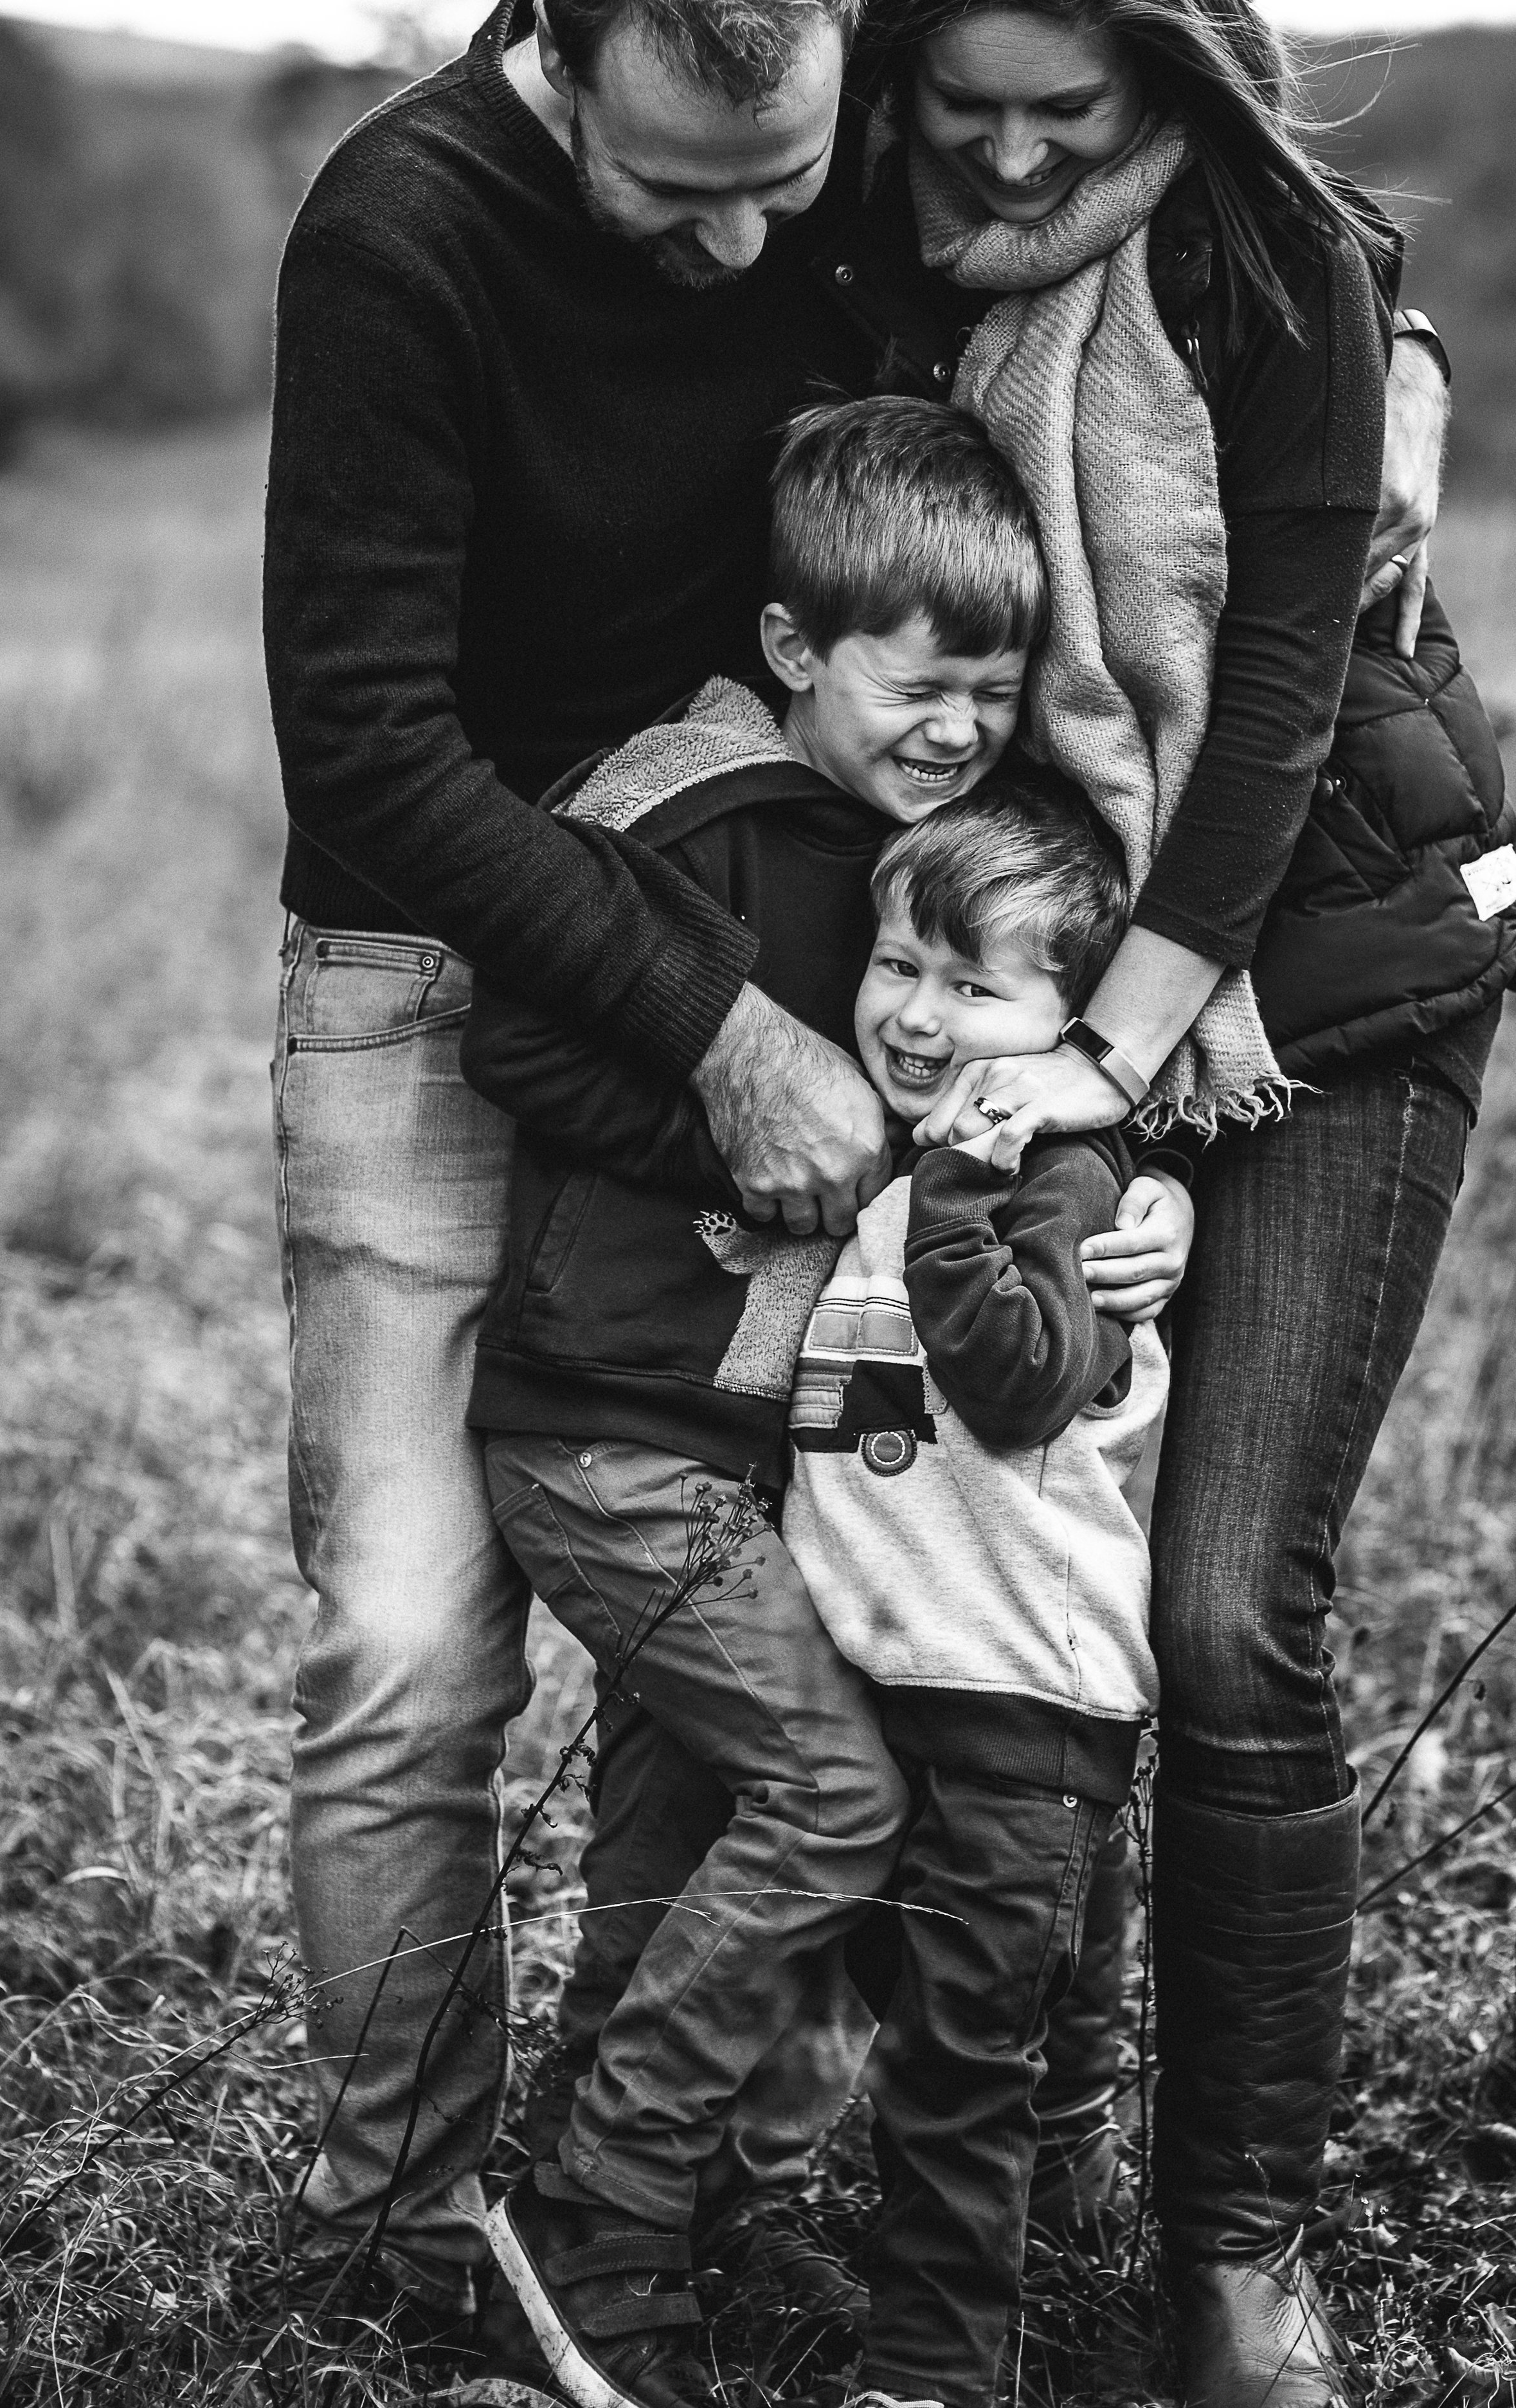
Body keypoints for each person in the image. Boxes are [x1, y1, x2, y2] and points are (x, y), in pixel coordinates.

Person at [260, 0, 1446, 2324]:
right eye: (670, 185)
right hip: (473, 947)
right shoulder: (403, 229)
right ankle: (416, 2242)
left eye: (782, 183)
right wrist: (726, 1037)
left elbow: (1190, 184)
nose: (738, 241)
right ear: (558, 36)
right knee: (418, 1653)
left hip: (814, 908)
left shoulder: (889, 129)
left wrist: (1385, 347)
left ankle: (782, 2181)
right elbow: (373, 744)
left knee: (844, 1601)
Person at [847, 5, 1511, 2402]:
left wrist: (1100, 1067)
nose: (1014, 156)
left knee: (1229, 1605)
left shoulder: (1280, 267)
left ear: (1180, 91)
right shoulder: (867, 249)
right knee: (1049, 1561)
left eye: (1076, 116)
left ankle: (1233, 2246)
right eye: (967, 111)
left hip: (1306, 971)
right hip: (1056, 978)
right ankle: (1034, 2112)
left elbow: (1273, 713)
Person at [460, 395, 1098, 2408]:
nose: (959, 724)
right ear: (797, 643)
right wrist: (733, 1125)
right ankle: (598, 2207)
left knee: (680, 1823)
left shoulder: (919, 862)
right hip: (614, 1425)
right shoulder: (691, 815)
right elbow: (522, 1050)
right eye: (924, 681)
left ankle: (634, 2217)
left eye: (995, 689)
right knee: (833, 1791)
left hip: (744, 1447)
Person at [781, 785, 1165, 2408]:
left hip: (1022, 1690)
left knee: (949, 2071)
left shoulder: (1052, 1179)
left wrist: (961, 1186)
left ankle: (932, 2372)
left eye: (971, 984)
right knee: (973, 1999)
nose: (917, 1014)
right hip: (910, 1677)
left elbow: (1014, 1383)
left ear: (1069, 1028)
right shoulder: (882, 1160)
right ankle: (1081, 2145)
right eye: (893, 965)